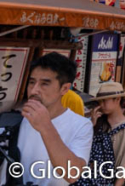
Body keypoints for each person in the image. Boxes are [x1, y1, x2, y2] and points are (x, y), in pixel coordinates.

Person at [18, 53, 93, 186]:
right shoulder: (15, 118)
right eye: (32, 82)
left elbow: (73, 174)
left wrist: (45, 126)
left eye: (44, 84)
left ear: (64, 88)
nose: (34, 90)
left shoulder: (81, 125)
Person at [77, 82, 125, 186]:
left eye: (105, 101)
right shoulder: (98, 121)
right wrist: (92, 125)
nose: (101, 104)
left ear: (117, 99)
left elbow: (123, 167)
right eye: (100, 101)